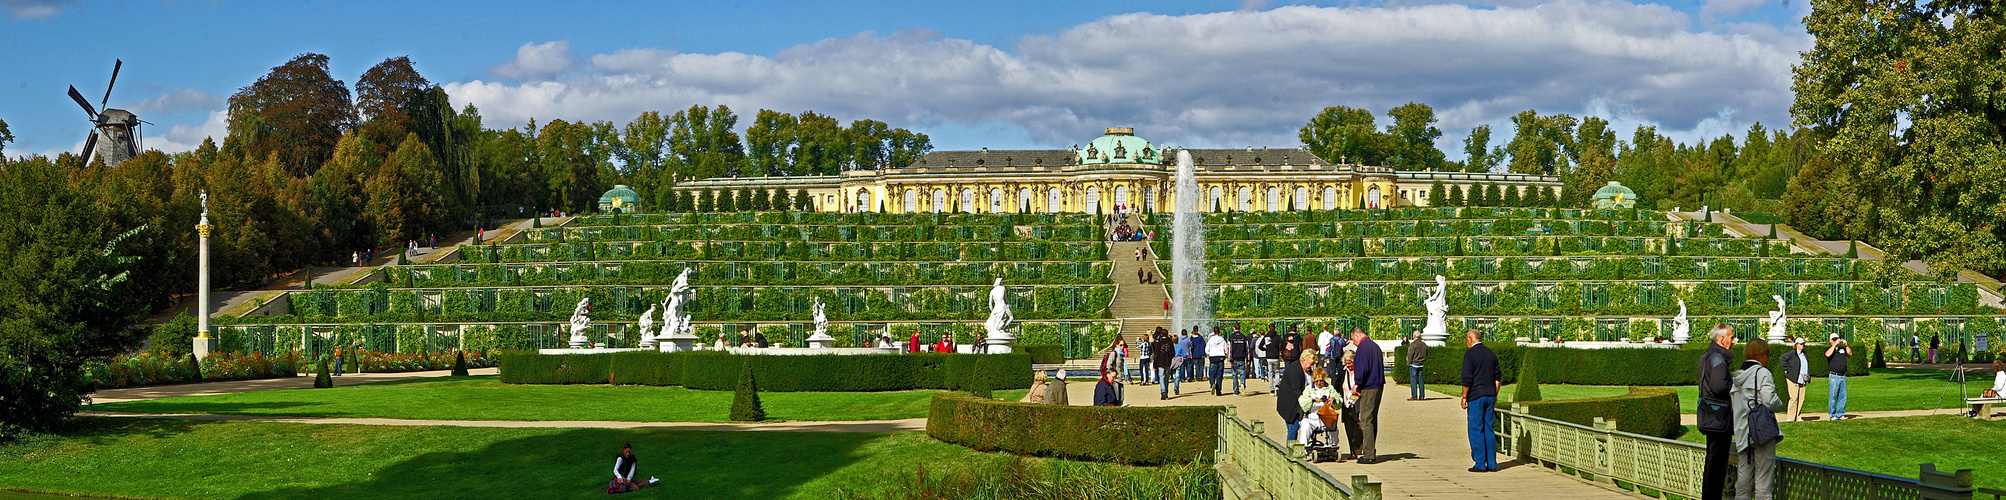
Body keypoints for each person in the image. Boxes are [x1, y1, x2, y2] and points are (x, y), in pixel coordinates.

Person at [1733, 338, 1782, 500]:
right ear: (1759, 355)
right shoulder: (1762, 373)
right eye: (1767, 355)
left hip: (1742, 434)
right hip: (1761, 432)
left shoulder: (1737, 377)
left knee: (1743, 482)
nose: (1768, 358)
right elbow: (1769, 401)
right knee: (1763, 484)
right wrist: (1778, 400)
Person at [1698, 325, 1736, 500]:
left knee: (1712, 460)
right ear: (1722, 339)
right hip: (1719, 418)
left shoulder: (1706, 357)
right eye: (1732, 337)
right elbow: (1719, 385)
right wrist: (1735, 386)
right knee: (1717, 463)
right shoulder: (1718, 359)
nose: (1734, 341)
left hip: (1709, 416)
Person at [1461, 328, 1501, 473]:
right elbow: (1497, 378)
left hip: (1476, 396)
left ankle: (1480, 463)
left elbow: (1467, 379)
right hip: (1490, 395)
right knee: (1488, 429)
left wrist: (1464, 396)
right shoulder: (1491, 353)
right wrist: (1494, 394)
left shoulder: (1470, 354)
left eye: (1467, 340)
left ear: (1470, 339)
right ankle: (1492, 463)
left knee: (1476, 429)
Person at [1351, 328, 1384, 464]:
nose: (1354, 343)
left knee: (1365, 419)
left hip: (1368, 387)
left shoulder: (1363, 347)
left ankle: (1369, 454)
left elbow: (1362, 369)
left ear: (1357, 335)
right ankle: (1371, 450)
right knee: (1372, 418)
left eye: (1353, 340)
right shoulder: (1374, 346)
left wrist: (1357, 384)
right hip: (1378, 386)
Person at [1297, 365, 1338, 452]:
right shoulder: (1308, 389)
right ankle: (1303, 449)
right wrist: (1311, 400)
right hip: (1312, 418)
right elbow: (1302, 401)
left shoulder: (1330, 388)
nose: (1319, 383)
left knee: (1333, 424)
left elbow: (1338, 399)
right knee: (1305, 426)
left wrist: (1333, 399)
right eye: (1316, 381)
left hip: (1325, 418)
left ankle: (1333, 446)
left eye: (1321, 380)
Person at [1277, 344, 1310, 442]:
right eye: (1310, 364)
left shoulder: (1305, 369)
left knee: (1293, 428)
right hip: (1289, 405)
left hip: (1295, 404)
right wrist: (1306, 401)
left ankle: (1291, 449)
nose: (1311, 366)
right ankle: (1291, 451)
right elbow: (1296, 390)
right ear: (1304, 360)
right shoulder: (1294, 370)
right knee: (1293, 428)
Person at [1780, 337, 1811, 422]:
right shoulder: (1792, 353)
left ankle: (1798, 416)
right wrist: (1789, 369)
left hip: (1802, 379)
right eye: (1801, 344)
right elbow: (1782, 359)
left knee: (1801, 398)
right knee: (1793, 398)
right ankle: (1790, 417)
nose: (1802, 345)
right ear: (1796, 344)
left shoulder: (1804, 354)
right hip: (1793, 378)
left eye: (1803, 344)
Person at [1826, 334, 1851, 420]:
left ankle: (1840, 414)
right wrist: (1834, 345)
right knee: (1833, 396)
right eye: (1833, 339)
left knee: (1842, 396)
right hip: (1834, 376)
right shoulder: (1830, 349)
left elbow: (1850, 354)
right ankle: (1832, 415)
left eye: (1836, 339)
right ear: (1830, 340)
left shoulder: (1842, 349)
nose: (1835, 340)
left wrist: (1846, 345)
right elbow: (1827, 355)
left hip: (1842, 376)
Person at [1154, 330, 1177, 399]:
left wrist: (1155, 365)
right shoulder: (1170, 343)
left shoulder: (1158, 344)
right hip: (1168, 362)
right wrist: (1169, 358)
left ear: (1161, 335)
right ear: (1167, 335)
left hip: (1160, 362)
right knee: (1166, 379)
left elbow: (1156, 355)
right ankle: (1166, 393)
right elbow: (1173, 353)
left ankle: (1163, 391)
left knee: (1161, 378)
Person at [1207, 328, 1230, 396]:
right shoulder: (1222, 340)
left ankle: (1212, 384)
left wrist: (1210, 353)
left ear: (1214, 332)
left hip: (1213, 357)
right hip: (1220, 357)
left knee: (1212, 374)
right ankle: (1218, 390)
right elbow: (1226, 350)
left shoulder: (1210, 340)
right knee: (1219, 375)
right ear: (1219, 332)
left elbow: (1207, 350)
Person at [1407, 331, 1428, 401]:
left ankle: (1414, 396)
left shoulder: (1413, 344)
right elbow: (1426, 354)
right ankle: (1422, 396)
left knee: (1413, 380)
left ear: (1414, 336)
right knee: (1421, 380)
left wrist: (1408, 362)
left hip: (1414, 364)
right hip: (1421, 364)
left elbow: (1410, 355)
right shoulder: (1423, 344)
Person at [1229, 326, 1251, 395]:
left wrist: (1230, 360)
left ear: (1234, 328)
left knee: (1234, 375)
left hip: (1234, 358)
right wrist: (1248, 359)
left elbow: (1230, 349)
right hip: (1242, 358)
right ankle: (1242, 383)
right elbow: (1247, 349)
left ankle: (1236, 391)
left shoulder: (1231, 337)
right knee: (1242, 373)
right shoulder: (1244, 337)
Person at [1172, 329, 1192, 394]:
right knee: (1179, 372)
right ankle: (1176, 386)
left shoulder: (1171, 346)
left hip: (1172, 360)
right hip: (1179, 360)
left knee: (1174, 373)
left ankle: (1179, 379)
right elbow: (1184, 354)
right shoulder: (1181, 345)